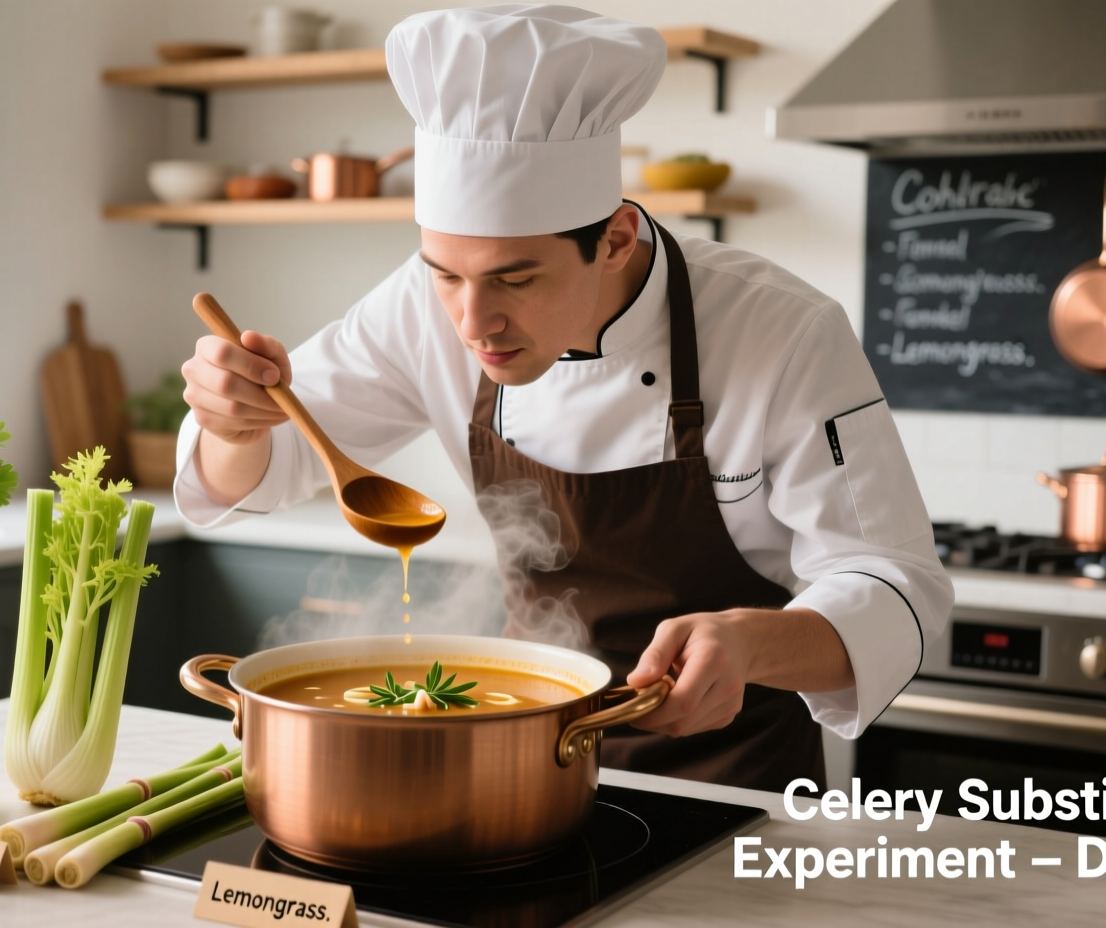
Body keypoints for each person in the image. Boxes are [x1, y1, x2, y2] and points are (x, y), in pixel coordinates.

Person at [174, 4, 953, 790]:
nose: (473, 322)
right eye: (445, 273)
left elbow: (898, 586)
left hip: (734, 775)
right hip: (525, 765)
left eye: (515, 279)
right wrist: (232, 426)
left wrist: (752, 643)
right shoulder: (418, 309)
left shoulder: (780, 332)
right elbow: (254, 477)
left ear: (614, 240)